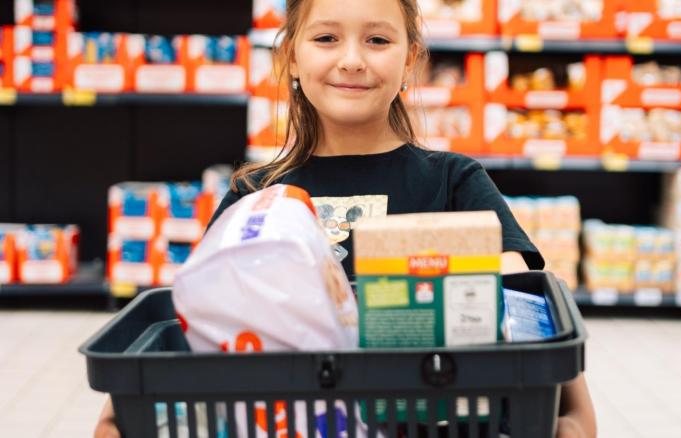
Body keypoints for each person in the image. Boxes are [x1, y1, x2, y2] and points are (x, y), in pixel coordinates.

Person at [95, 0, 596, 436]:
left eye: (377, 39)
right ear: (291, 55)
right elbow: (199, 322)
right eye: (326, 38)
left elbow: (525, 312)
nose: (352, 60)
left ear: (411, 60)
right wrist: (115, 417)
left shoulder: (454, 183)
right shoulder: (255, 198)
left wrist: (571, 416)